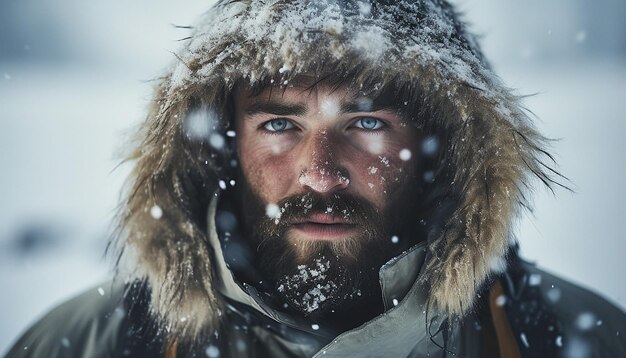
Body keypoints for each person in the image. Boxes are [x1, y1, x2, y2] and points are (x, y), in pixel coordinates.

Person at [7, 1, 626, 357]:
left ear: (447, 146)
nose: (321, 173)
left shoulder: (569, 339)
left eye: (365, 121)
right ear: (221, 146)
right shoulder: (90, 343)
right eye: (280, 122)